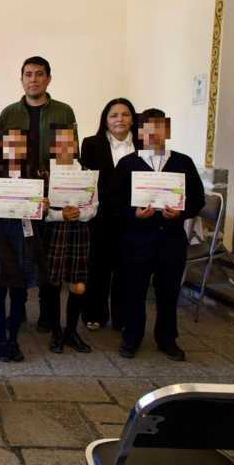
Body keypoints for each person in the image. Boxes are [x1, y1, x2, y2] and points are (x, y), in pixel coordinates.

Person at [111, 109, 204, 361]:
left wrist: (182, 212)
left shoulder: (183, 162)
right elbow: (114, 202)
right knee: (134, 291)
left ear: (167, 130)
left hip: (171, 239)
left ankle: (167, 338)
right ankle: (132, 337)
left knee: (168, 292)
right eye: (147, 128)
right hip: (137, 239)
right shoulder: (128, 163)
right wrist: (133, 213)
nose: (153, 133)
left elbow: (197, 199)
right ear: (140, 132)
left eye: (159, 127)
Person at [0, 56, 76, 333]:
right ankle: (17, 310)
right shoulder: (9, 113)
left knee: (48, 255)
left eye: (39, 74)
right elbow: (2, 154)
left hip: (54, 190)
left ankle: (47, 313)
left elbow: (70, 152)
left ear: (48, 79)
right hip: (19, 190)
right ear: (21, 79)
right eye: (28, 74)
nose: (33, 79)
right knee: (22, 250)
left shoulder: (64, 111)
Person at [0, 129, 48, 361]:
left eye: (20, 144)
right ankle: (2, 338)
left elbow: (41, 215)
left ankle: (14, 339)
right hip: (0, 237)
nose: (14, 149)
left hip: (25, 237)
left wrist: (44, 207)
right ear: (2, 147)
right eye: (10, 144)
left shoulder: (36, 175)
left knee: (20, 293)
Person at [80, 98, 140, 331]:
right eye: (114, 115)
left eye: (125, 114)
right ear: (105, 120)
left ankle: (122, 317)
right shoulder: (91, 144)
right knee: (98, 268)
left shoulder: (144, 144)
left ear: (133, 119)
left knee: (127, 269)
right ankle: (94, 313)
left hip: (134, 217)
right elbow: (89, 181)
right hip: (101, 215)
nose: (120, 119)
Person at [43, 124, 96, 354]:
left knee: (79, 286)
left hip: (79, 231)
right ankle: (56, 332)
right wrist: (58, 215)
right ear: (53, 146)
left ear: (75, 144)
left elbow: (94, 206)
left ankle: (71, 332)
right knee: (53, 283)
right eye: (59, 142)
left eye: (69, 142)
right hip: (54, 231)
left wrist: (80, 213)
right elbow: (39, 210)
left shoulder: (86, 171)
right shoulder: (44, 172)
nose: (65, 146)